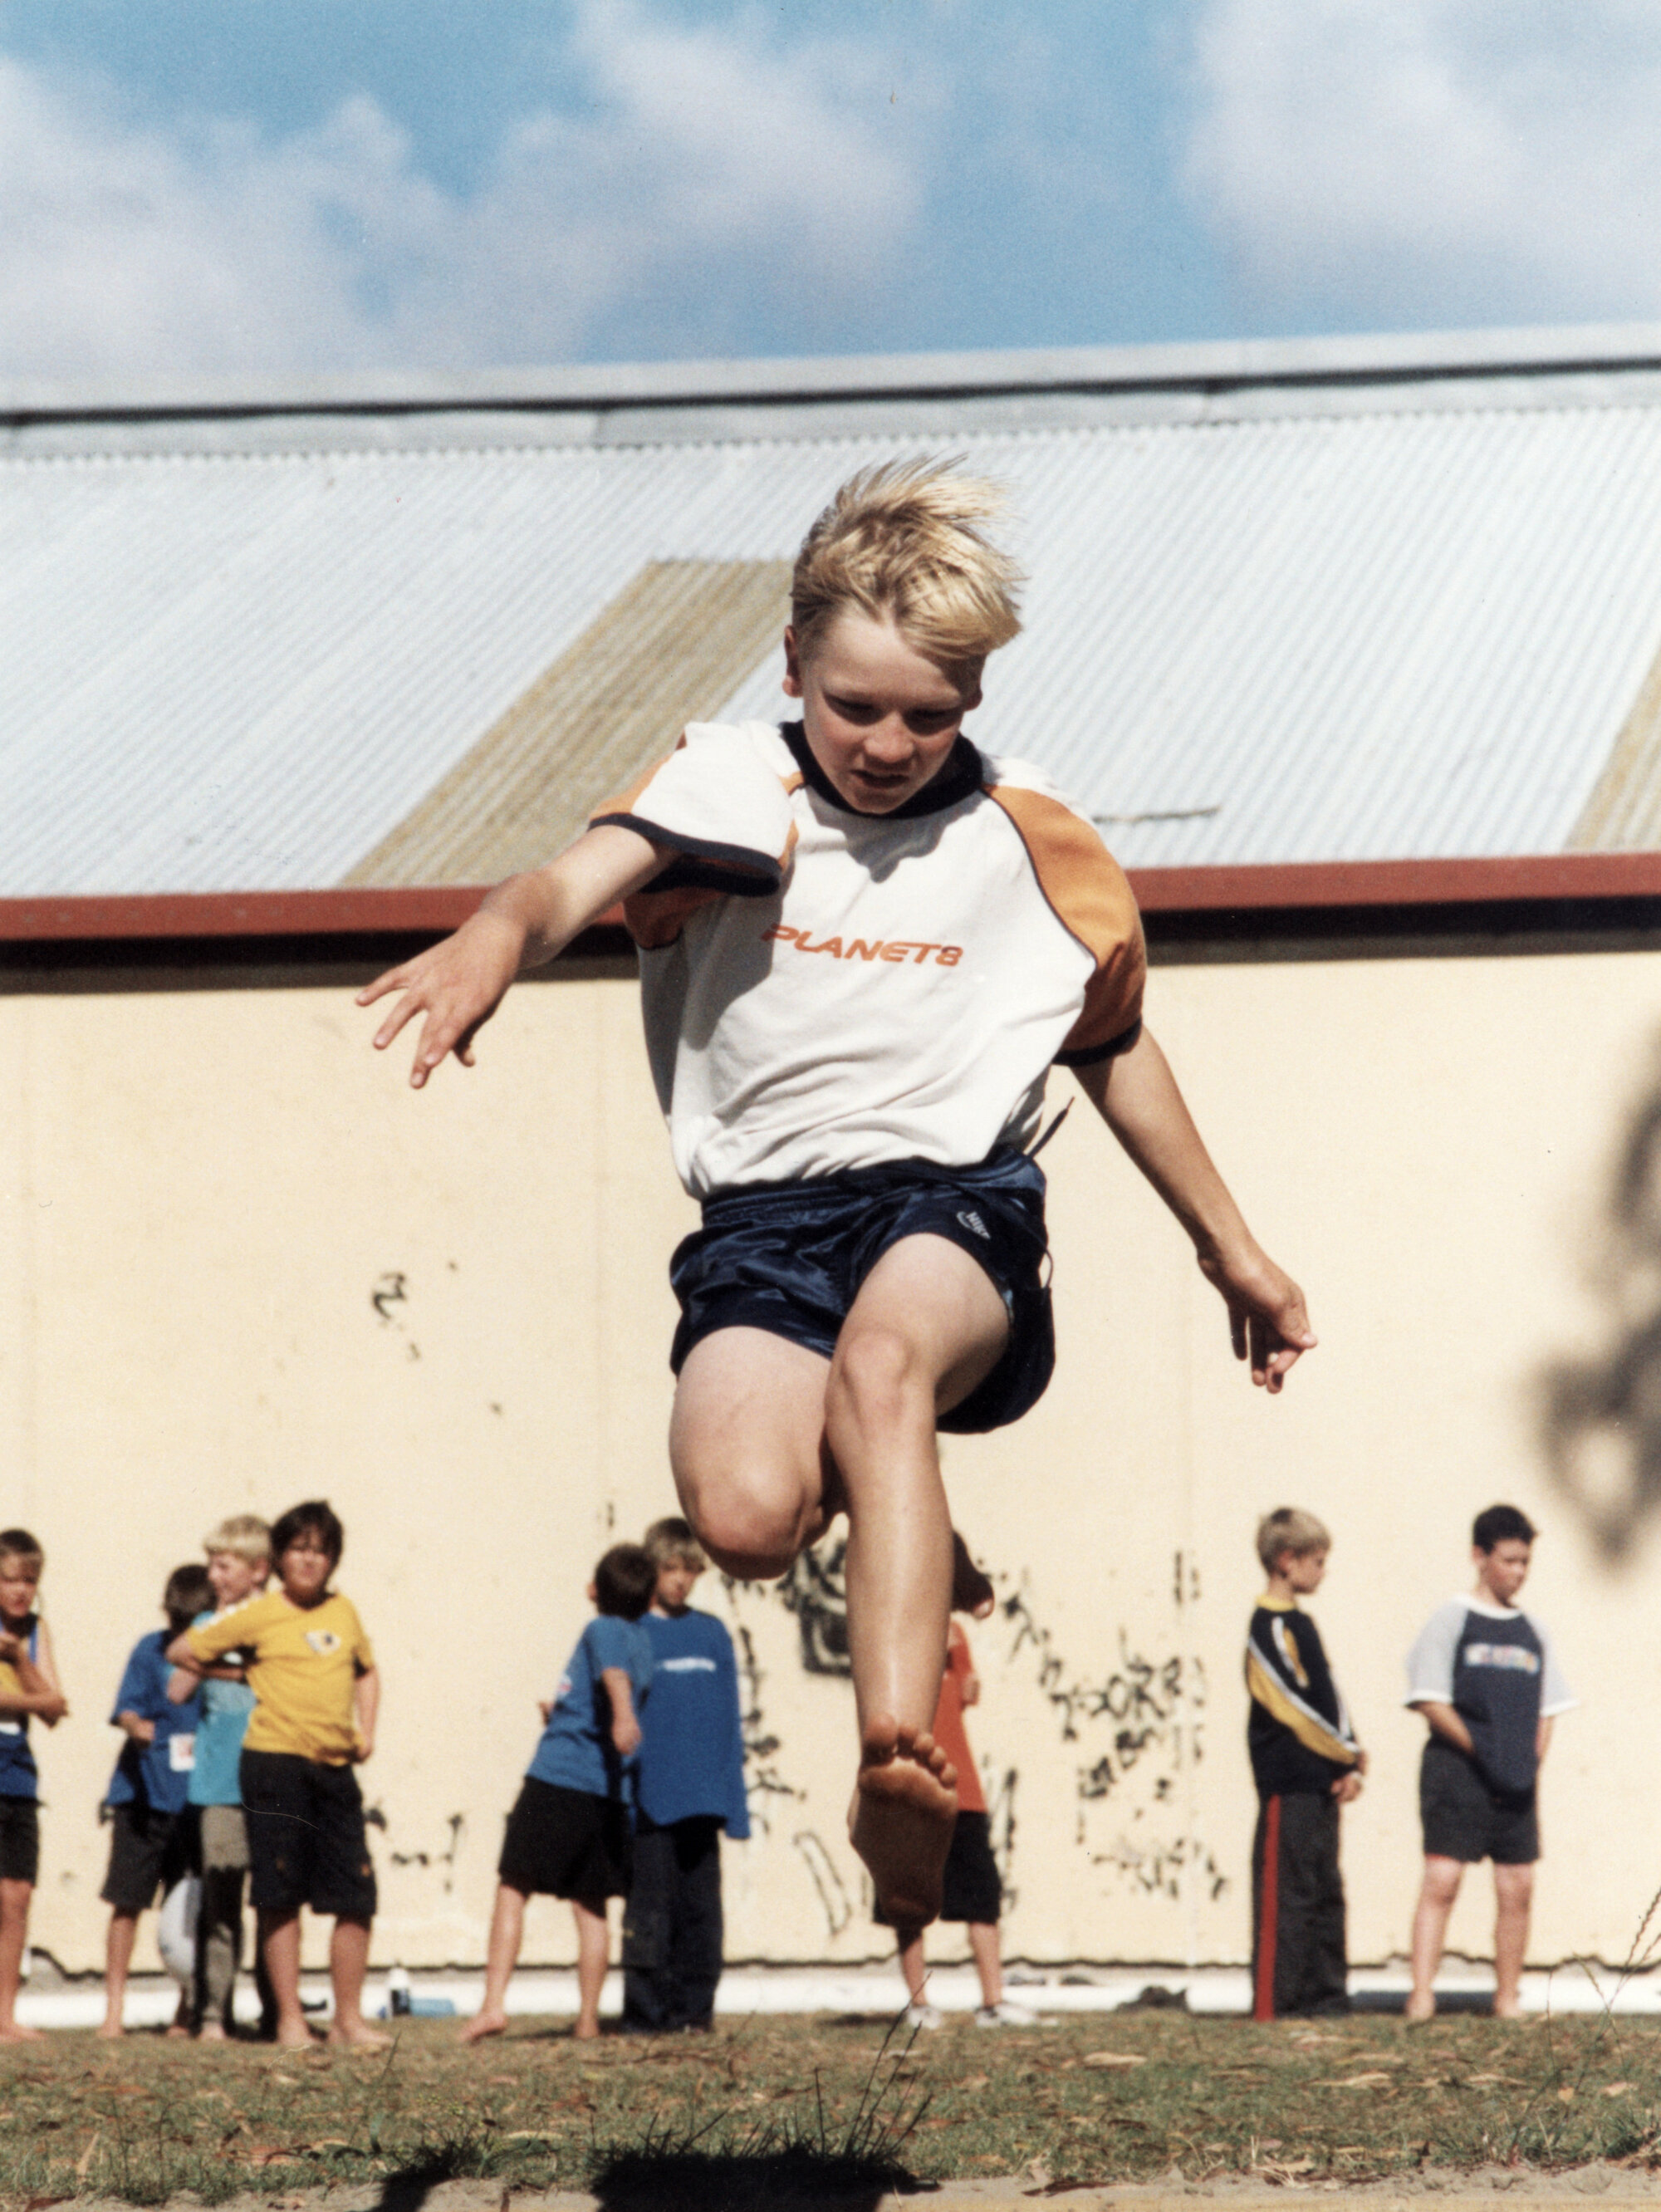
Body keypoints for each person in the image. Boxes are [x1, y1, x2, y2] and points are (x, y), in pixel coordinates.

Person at [362, 461, 1314, 1933]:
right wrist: (495, 937)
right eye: (855, 703)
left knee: (885, 1365)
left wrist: (1232, 1250)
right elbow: (574, 876)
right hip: (760, 1224)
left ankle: (893, 1762)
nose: (885, 743)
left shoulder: (1037, 841)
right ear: (792, 663)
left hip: (957, 1203)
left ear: (977, 695)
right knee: (744, 1515)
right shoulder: (730, 783)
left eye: (930, 714)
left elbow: (1113, 1046)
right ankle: (891, 1510)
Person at [168, 1498, 384, 2050]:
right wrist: (240, 1671)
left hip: (334, 1768)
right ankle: (288, 2020)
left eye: (321, 1550)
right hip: (274, 1764)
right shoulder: (261, 1613)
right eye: (299, 1549)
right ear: (280, 1558)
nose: (310, 1560)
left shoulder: (345, 1612)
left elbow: (366, 1671)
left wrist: (368, 1730)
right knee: (279, 1893)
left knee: (356, 1895)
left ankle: (348, 2020)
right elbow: (183, 1649)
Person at [462, 1543, 655, 2044]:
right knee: (591, 1906)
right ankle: (588, 2020)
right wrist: (574, 1713)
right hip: (607, 1793)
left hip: (558, 1780)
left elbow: (614, 1676)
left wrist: (622, 1714)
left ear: (594, 1589)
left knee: (512, 1888)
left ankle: (491, 2006)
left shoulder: (601, 1629)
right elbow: (617, 1679)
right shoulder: (644, 1640)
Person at [1404, 1504, 1575, 2023]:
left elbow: (1548, 1709)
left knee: (1517, 1887)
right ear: (1480, 1557)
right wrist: (1484, 1751)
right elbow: (1430, 1700)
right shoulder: (1452, 1618)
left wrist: (1526, 1765)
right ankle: (1421, 1997)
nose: (1519, 1572)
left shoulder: (1533, 1631)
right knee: (1443, 1881)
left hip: (1514, 1782)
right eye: (1509, 1561)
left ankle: (1506, 1998)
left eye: (1526, 1562)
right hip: (1457, 1773)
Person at [887, 1533, 1032, 2030]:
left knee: (981, 1894)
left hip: (961, 1785)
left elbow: (960, 1694)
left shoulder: (955, 1634)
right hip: (911, 1781)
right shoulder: (895, 1627)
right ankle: (918, 2002)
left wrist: (967, 1683)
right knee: (909, 1896)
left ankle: (993, 2000)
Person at [621, 1517, 749, 2035]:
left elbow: (729, 1723)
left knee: (702, 1915)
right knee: (649, 1914)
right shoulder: (631, 1634)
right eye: (669, 1568)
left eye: (689, 1569)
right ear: (651, 1569)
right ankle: (646, 2014)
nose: (679, 1580)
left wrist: (736, 1808)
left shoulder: (712, 1633)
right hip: (650, 1801)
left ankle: (695, 2013)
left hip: (705, 1800)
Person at [1244, 1507, 1365, 2022]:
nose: (1323, 1571)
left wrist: (1348, 1760)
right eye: (1317, 1561)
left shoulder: (1303, 1624)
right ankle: (1278, 2003)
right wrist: (1345, 1750)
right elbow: (1292, 1705)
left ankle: (1326, 1997)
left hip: (1321, 1783)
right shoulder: (1267, 1627)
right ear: (1286, 1560)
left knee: (1324, 1891)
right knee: (1285, 1896)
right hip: (1288, 1785)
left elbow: (1328, 1695)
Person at [166, 1513, 277, 2040]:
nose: (212, 1574)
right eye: (210, 1564)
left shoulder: (276, 1621)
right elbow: (177, 1688)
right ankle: (214, 2012)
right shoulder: (210, 1625)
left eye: (223, 1565)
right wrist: (220, 1650)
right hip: (218, 1780)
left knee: (277, 1899)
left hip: (272, 1775)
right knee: (221, 1897)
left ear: (259, 1570)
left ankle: (278, 2010)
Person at [100, 1563, 214, 2039]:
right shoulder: (149, 1649)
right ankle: (113, 2011)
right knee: (127, 1902)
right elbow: (126, 1706)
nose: (183, 1630)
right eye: (177, 1620)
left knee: (191, 1906)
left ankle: (186, 2010)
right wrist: (134, 1725)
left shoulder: (216, 1655)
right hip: (143, 1796)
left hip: (196, 1798)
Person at [0, 1529, 67, 2043]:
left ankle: (5, 2015)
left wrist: (19, 1660)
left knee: (17, 1895)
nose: (19, 1591)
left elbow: (56, 1711)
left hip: (18, 1775)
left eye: (29, 1581)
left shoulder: (35, 1632)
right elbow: (43, 1702)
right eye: (7, 1579)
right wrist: (36, 1699)